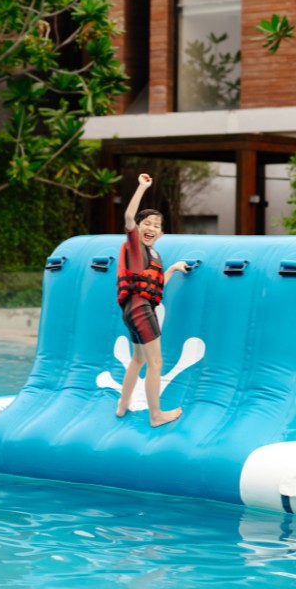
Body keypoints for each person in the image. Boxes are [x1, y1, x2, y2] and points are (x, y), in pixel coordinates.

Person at [115, 173, 189, 427]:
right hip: (140, 310)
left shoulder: (152, 255)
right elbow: (127, 218)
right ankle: (156, 415)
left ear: (161, 233)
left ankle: (122, 405)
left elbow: (154, 288)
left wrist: (173, 269)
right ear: (138, 228)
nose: (152, 228)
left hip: (131, 309)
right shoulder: (135, 247)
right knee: (156, 362)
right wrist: (142, 187)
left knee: (139, 359)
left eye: (157, 225)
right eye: (147, 223)